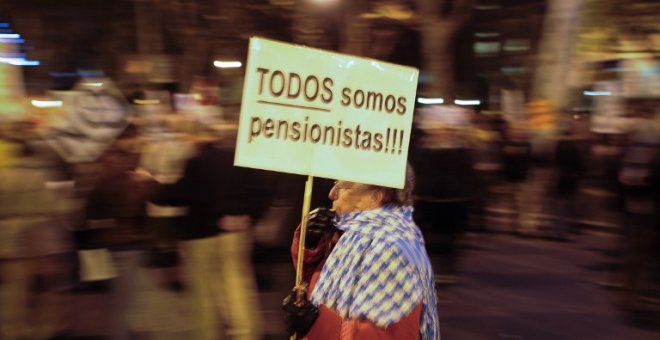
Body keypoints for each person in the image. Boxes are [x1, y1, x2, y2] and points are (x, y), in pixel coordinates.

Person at [283, 167, 440, 339]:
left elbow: (385, 335)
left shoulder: (390, 251)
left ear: (375, 197)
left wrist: (315, 322)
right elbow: (316, 284)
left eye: (343, 186)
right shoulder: (354, 238)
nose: (331, 194)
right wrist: (311, 244)